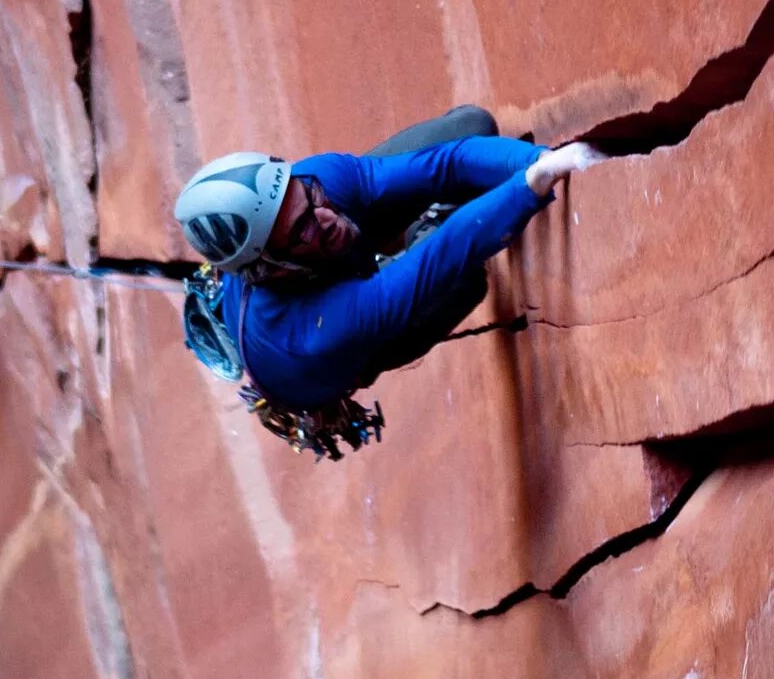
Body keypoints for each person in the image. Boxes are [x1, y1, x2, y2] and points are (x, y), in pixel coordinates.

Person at [173, 106, 603, 439]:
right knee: (462, 282)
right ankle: (421, 229)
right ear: (269, 268)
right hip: (329, 350)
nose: (325, 215)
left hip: (322, 276)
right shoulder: (309, 336)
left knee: (472, 125)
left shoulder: (316, 182)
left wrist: (539, 158)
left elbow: (445, 163)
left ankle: (419, 227)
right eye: (302, 228)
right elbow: (445, 255)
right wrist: (532, 183)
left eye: (308, 195)